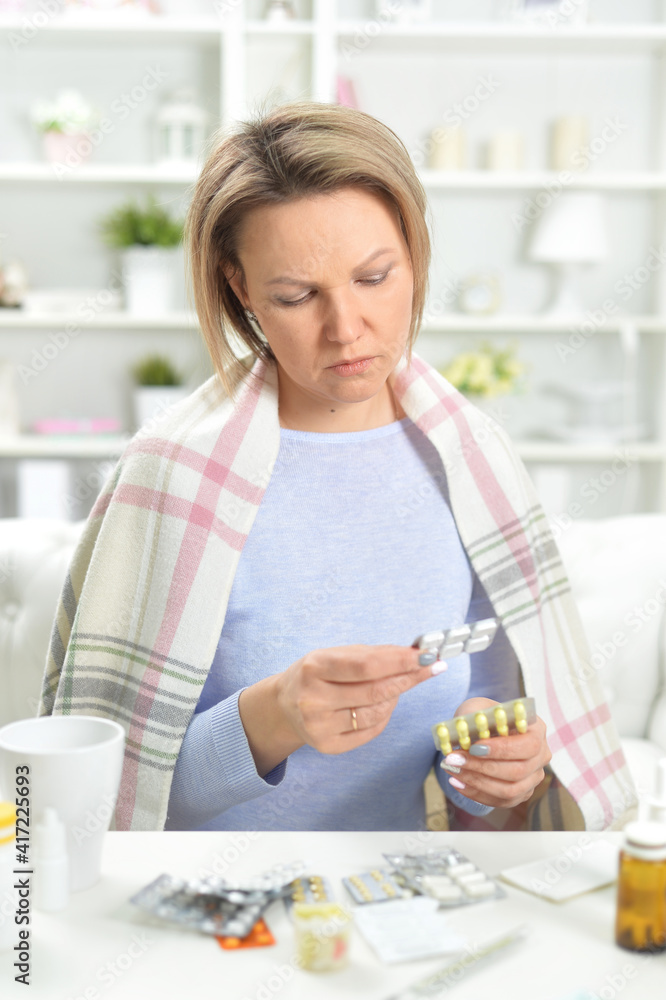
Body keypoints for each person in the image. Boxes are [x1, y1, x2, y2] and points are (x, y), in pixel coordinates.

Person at [40, 102, 636, 833]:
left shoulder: (471, 462)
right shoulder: (171, 477)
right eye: (296, 296)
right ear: (240, 288)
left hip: (395, 893)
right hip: (207, 898)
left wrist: (494, 770)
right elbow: (109, 804)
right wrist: (273, 717)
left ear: (414, 254)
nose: (347, 329)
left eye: (375, 277)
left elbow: (477, 750)